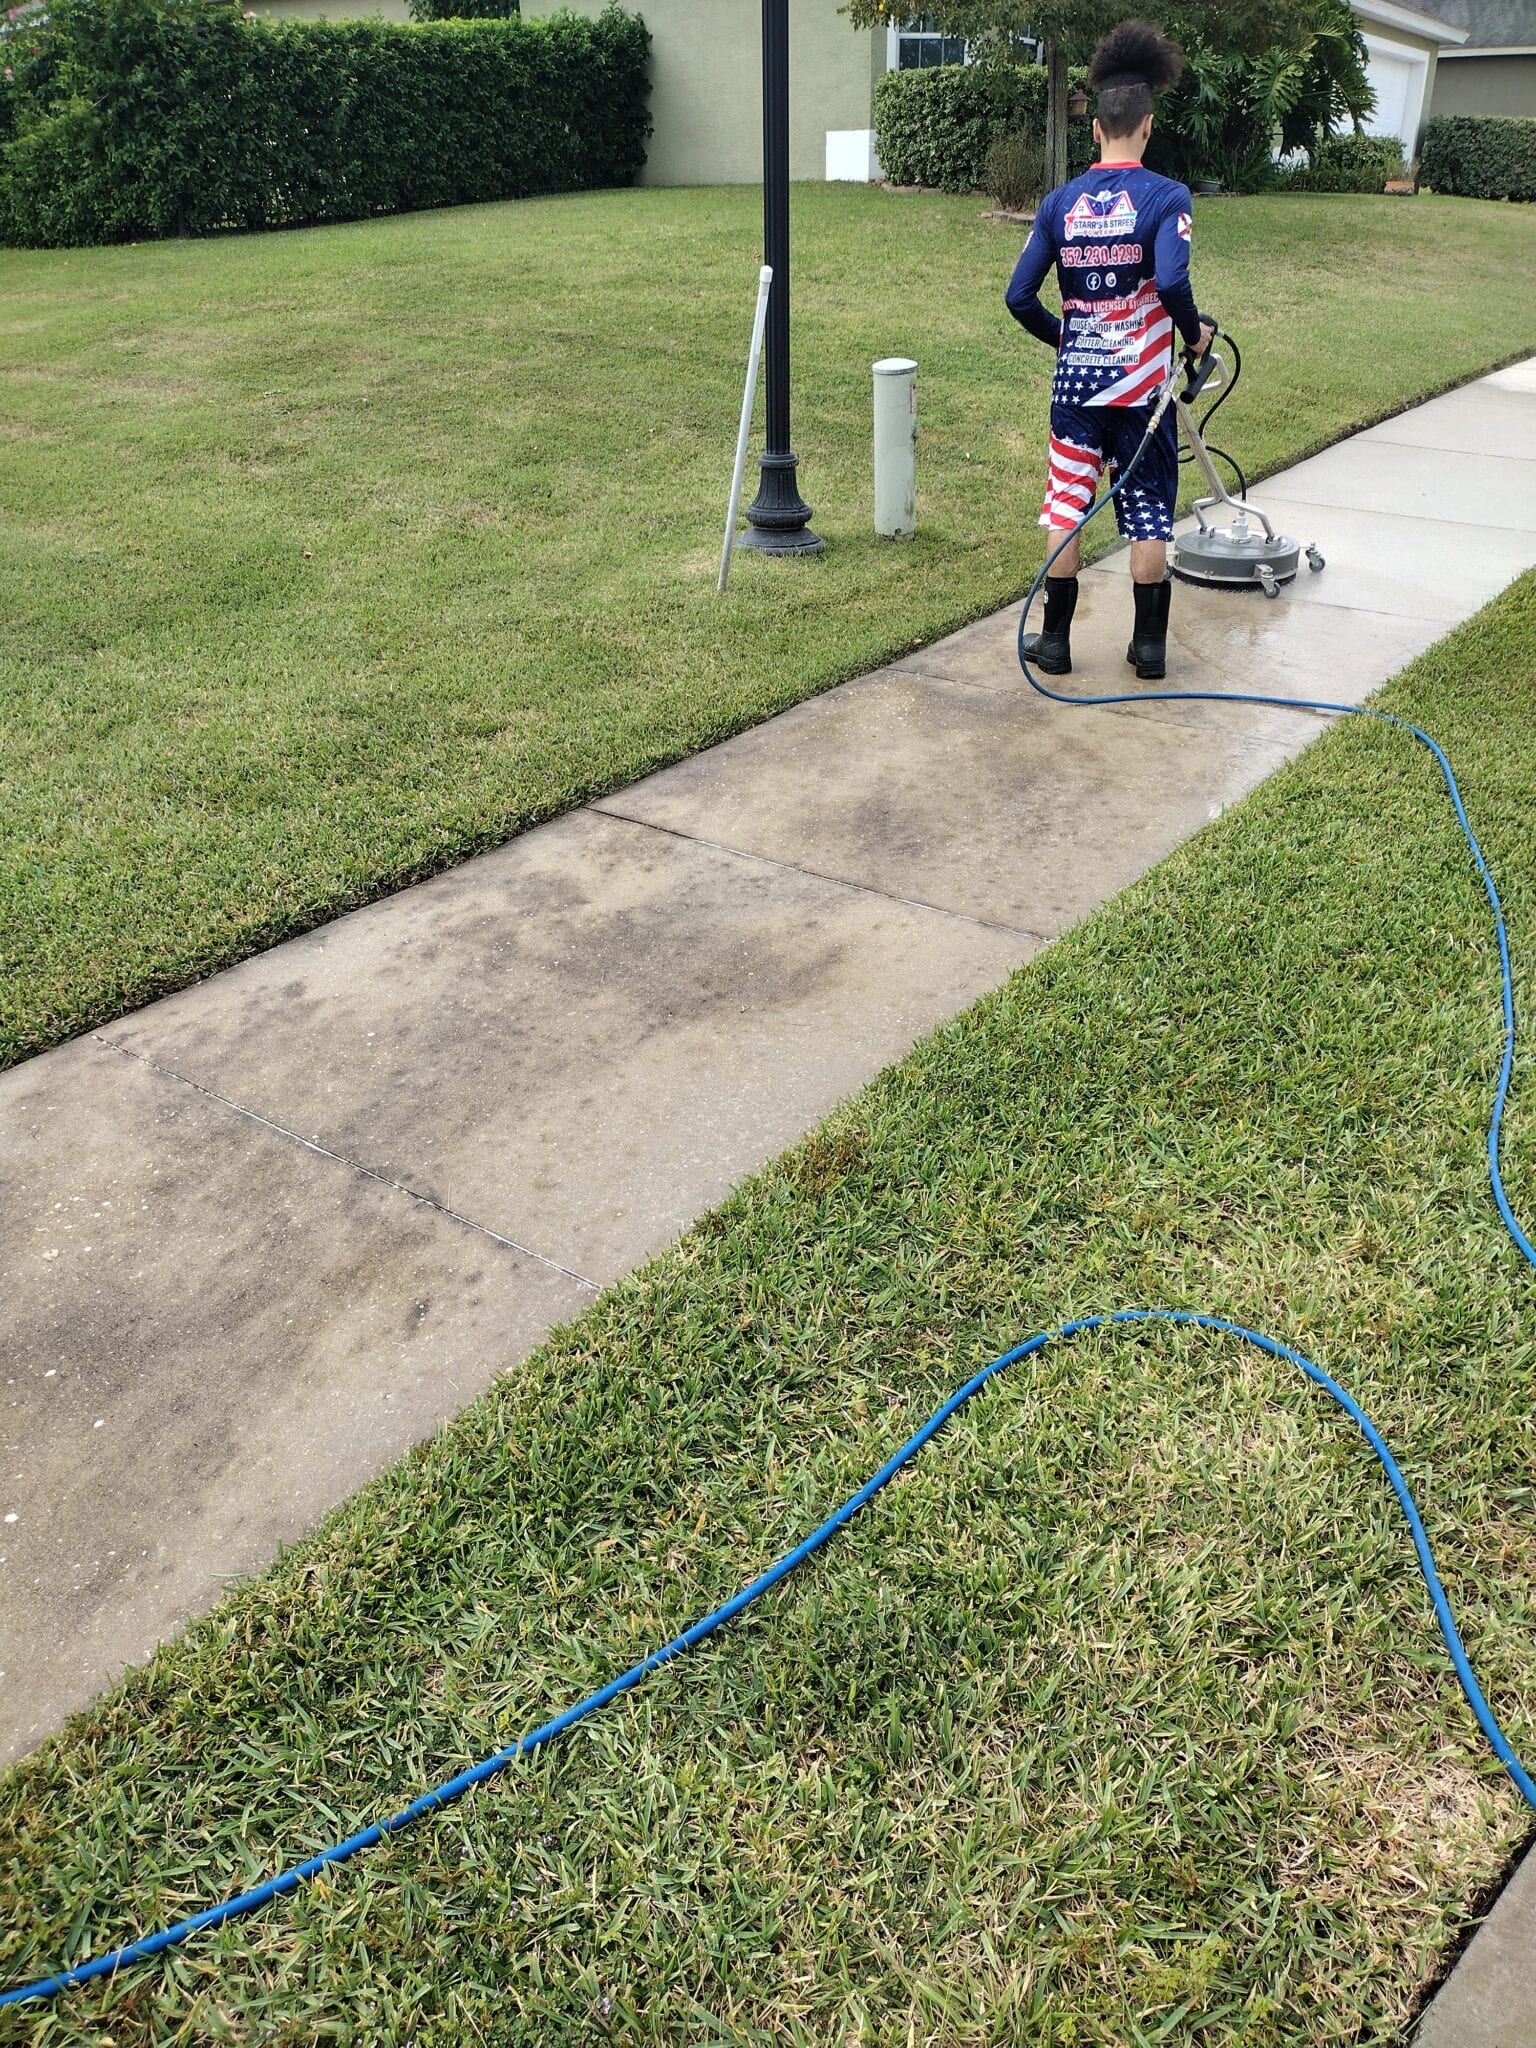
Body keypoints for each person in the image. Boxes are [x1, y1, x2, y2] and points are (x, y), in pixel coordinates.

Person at [1005, 20, 1213, 682]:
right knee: (1149, 513)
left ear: (1097, 128)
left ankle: (1055, 644)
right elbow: (1174, 280)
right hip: (1140, 393)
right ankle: (1148, 649)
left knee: (1067, 505)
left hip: (1076, 390)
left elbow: (1018, 297)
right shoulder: (1166, 197)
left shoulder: (1059, 204)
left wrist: (1068, 340)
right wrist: (1192, 334)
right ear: (1146, 126)